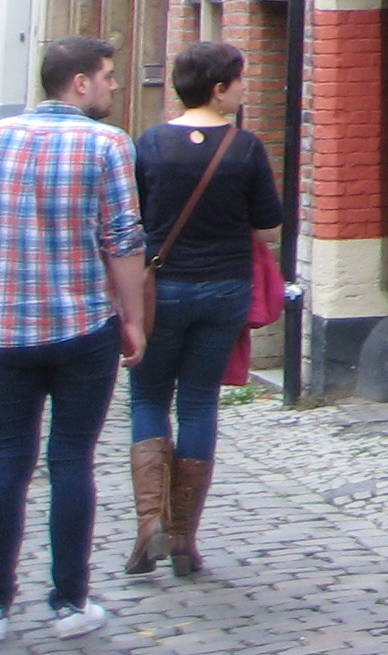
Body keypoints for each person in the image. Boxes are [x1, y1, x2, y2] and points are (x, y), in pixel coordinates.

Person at [0, 37, 149, 639]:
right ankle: (69, 602)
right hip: (82, 327)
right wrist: (133, 318)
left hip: (7, 328)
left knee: (7, 460)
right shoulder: (108, 144)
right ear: (79, 83)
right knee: (71, 460)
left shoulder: (1, 138)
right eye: (108, 76)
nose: (115, 85)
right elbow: (124, 238)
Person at [124, 42, 279, 582]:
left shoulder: (151, 144)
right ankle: (184, 537)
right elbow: (269, 223)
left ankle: (150, 521)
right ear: (218, 89)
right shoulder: (245, 148)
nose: (243, 89)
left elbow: (134, 218)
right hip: (225, 290)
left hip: (162, 289)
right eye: (239, 81)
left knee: (148, 396)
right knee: (197, 401)